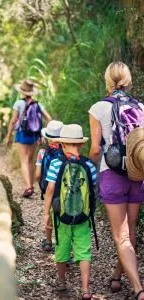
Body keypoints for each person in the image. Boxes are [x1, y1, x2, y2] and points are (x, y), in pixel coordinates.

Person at [89, 61, 144, 299]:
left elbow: (94, 148)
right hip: (137, 173)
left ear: (108, 81)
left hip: (111, 173)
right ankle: (116, 276)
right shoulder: (141, 107)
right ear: (128, 80)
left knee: (120, 235)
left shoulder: (98, 108)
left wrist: (94, 166)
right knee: (130, 231)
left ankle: (138, 287)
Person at [43, 124, 97, 300]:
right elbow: (93, 190)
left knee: (62, 247)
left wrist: (46, 214)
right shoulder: (89, 164)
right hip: (83, 215)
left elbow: (50, 190)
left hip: (61, 216)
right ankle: (85, 289)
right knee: (84, 250)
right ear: (81, 145)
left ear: (62, 144)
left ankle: (61, 280)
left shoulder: (56, 163)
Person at [4, 79, 52, 198]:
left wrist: (8, 136)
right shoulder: (38, 104)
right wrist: (44, 133)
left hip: (22, 134)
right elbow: (49, 118)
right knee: (30, 159)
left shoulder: (19, 104)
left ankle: (29, 187)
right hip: (34, 135)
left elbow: (13, 120)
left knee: (24, 160)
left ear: (22, 91)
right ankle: (31, 185)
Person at [35, 120, 64, 252]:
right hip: (65, 189)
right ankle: (64, 245)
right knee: (62, 216)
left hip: (49, 189)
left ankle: (48, 241)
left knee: (50, 215)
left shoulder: (42, 153)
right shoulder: (66, 152)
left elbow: (37, 174)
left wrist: (42, 185)